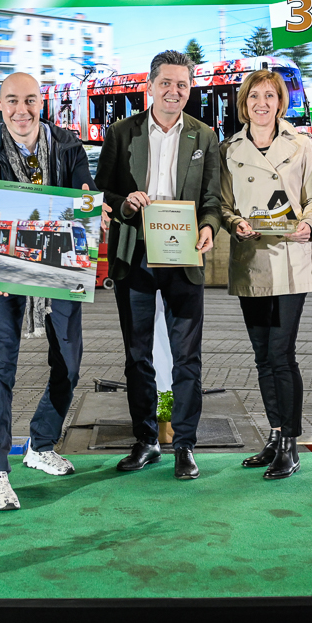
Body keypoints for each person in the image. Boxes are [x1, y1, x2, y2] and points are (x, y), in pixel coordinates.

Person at [95, 50, 222, 480]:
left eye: (182, 85)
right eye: (166, 83)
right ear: (150, 86)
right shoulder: (120, 133)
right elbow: (103, 193)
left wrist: (208, 228)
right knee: (137, 356)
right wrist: (123, 202)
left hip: (184, 257)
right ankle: (146, 440)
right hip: (136, 257)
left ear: (191, 89)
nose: (174, 91)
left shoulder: (205, 136)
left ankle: (185, 444)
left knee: (188, 357)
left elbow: (211, 200)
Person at [0, 71, 92, 511]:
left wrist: (87, 202)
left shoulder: (67, 144)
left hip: (60, 268)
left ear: (41, 103)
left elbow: (84, 194)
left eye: (30, 100)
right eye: (12, 101)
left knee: (71, 361)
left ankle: (40, 445)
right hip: (4, 274)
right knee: (2, 364)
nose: (21, 110)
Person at [219, 69, 312, 480]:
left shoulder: (300, 146)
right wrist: (233, 224)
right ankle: (275, 434)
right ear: (243, 104)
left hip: (290, 261)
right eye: (254, 97)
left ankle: (291, 445)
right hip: (251, 262)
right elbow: (224, 205)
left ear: (281, 102)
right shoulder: (229, 149)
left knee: (281, 354)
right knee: (262, 357)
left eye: (270, 96)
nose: (262, 104)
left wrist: (309, 226)